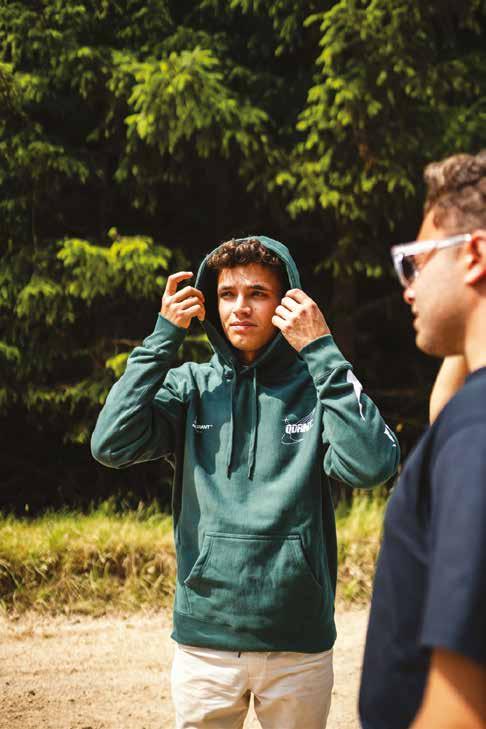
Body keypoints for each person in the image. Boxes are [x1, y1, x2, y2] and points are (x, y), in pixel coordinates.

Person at [91, 235, 399, 729]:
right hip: (204, 642)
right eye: (227, 294)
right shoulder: (191, 385)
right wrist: (163, 338)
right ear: (211, 304)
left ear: (286, 303)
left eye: (258, 293)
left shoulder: (317, 386)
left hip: (298, 642)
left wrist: (321, 349)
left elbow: (373, 464)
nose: (240, 307)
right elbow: (110, 443)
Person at [359, 151, 486, 729]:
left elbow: (460, 712)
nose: (408, 288)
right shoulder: (468, 419)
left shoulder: (477, 431)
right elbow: (445, 414)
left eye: (414, 262)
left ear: (474, 256)